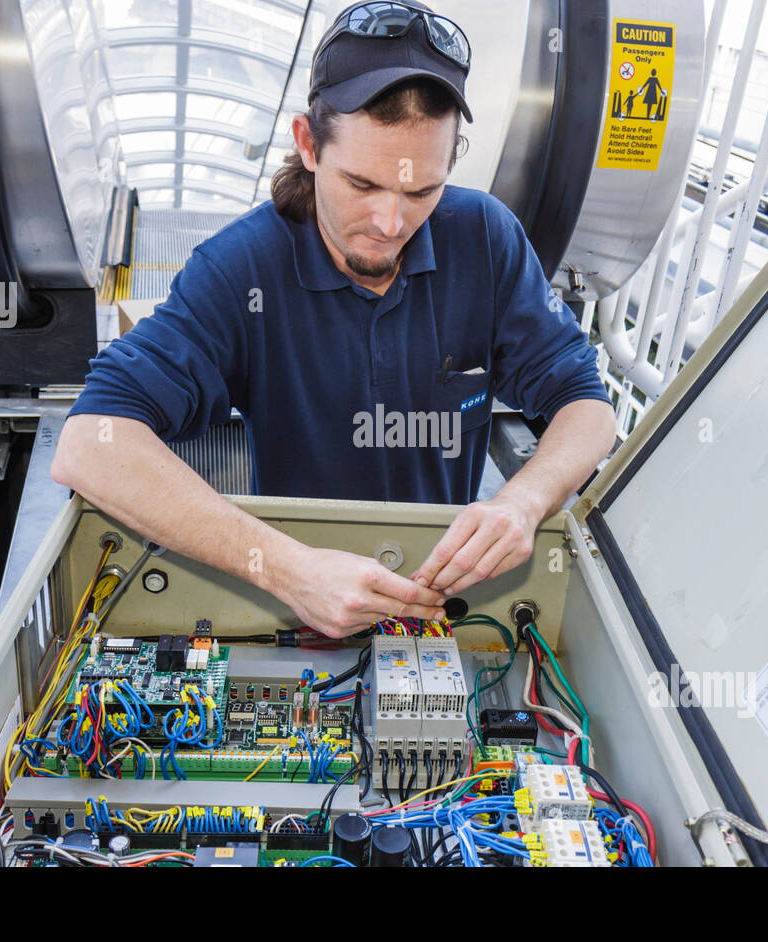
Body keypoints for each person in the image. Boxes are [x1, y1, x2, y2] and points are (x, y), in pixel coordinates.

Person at [52, 1, 616, 637]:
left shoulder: (486, 239)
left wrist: (522, 500)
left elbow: (586, 405)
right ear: (308, 145)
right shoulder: (242, 269)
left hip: (440, 598)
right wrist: (287, 569)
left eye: (420, 192)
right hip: (295, 600)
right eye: (363, 184)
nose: (390, 224)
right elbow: (89, 442)